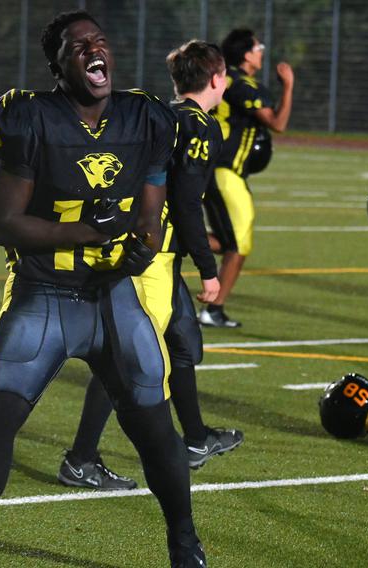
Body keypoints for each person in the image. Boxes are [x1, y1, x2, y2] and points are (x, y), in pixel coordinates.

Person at [0, 11, 206, 568]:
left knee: (156, 429)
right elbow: (3, 223)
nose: (91, 50)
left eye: (98, 41)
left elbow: (151, 216)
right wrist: (92, 231)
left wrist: (142, 248)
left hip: (115, 300)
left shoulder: (146, 118)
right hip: (44, 295)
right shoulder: (31, 118)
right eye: (77, 45)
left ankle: (186, 547)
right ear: (57, 63)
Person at [57, 40, 244, 492]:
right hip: (152, 256)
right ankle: (81, 458)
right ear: (217, 79)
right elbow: (184, 203)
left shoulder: (159, 114)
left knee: (181, 339)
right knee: (122, 359)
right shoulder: (199, 126)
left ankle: (195, 438)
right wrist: (210, 266)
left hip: (147, 248)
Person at [198, 28, 293, 328]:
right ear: (245, 54)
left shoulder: (233, 80)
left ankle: (177, 239)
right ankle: (213, 308)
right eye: (258, 47)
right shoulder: (240, 84)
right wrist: (288, 86)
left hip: (225, 170)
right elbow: (277, 123)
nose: (262, 51)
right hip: (224, 170)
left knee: (232, 242)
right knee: (238, 244)